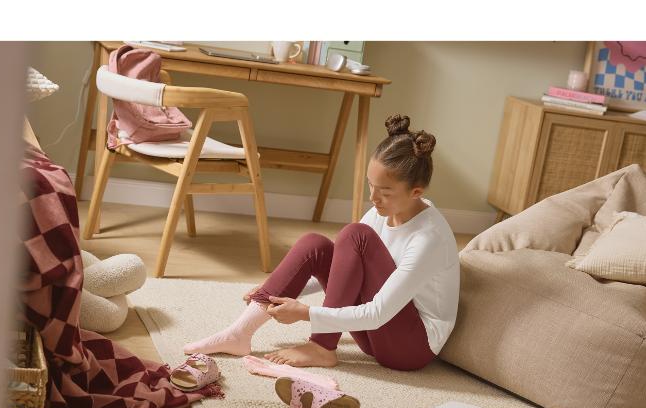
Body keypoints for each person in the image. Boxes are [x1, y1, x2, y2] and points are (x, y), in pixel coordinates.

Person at [183, 114, 460, 371]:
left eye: (385, 192)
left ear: (416, 192)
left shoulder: (429, 238)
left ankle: (321, 346)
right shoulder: (382, 211)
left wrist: (306, 314)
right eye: (370, 185)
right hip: (376, 335)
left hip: (409, 347)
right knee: (315, 244)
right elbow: (346, 269)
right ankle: (239, 333)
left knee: (355, 235)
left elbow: (377, 313)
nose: (373, 198)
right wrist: (280, 289)